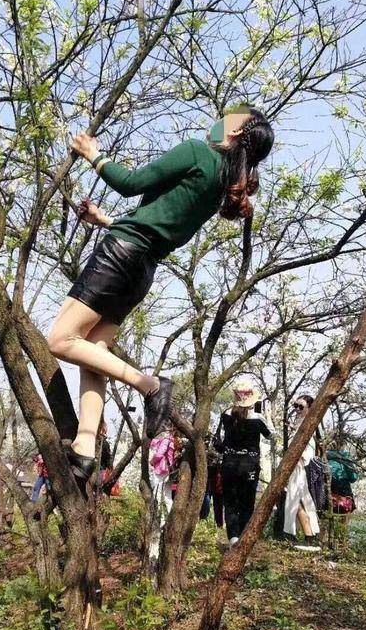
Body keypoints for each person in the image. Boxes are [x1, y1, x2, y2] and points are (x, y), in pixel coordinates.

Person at [47, 107, 275, 487]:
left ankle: (149, 384)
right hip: (142, 267)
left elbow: (131, 182)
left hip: (120, 256)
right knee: (95, 356)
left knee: (61, 338)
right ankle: (86, 450)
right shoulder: (222, 182)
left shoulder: (198, 152)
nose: (218, 118)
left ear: (235, 130)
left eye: (226, 116)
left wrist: (93, 153)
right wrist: (105, 221)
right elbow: (158, 225)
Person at [215, 378, 273, 549]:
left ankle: (233, 538)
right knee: (247, 503)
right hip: (250, 466)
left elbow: (217, 439)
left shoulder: (226, 415)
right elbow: (270, 436)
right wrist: (268, 417)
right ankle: (244, 538)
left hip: (229, 465)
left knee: (230, 503)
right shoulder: (258, 418)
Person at [283, 395, 321, 551]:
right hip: (295, 468)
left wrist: (296, 460)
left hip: (301, 468)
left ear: (309, 408)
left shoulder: (310, 425)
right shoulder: (300, 423)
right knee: (295, 500)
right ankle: (307, 535)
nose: (297, 409)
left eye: (301, 406)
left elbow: (309, 451)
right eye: (295, 406)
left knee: (299, 501)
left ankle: (310, 535)